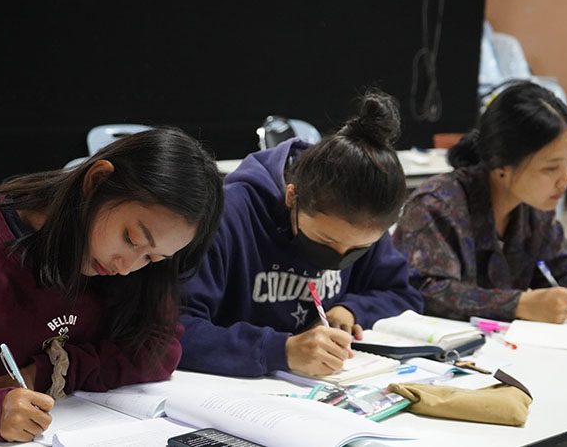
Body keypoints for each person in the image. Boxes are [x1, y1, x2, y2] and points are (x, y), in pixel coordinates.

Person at [0, 128, 224, 442]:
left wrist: (51, 371)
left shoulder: (135, 269)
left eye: (152, 258)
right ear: (96, 182)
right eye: (130, 238)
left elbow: (160, 347)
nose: (127, 268)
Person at [178, 90, 423, 378]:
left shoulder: (363, 218)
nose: (339, 257)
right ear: (292, 197)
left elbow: (402, 295)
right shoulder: (228, 215)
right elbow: (175, 331)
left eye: (359, 249)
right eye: (326, 241)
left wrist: (351, 310)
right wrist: (280, 351)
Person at [393, 81, 567, 324]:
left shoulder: (530, 208)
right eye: (551, 168)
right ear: (501, 165)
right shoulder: (437, 206)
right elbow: (424, 290)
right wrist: (519, 304)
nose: (566, 179)